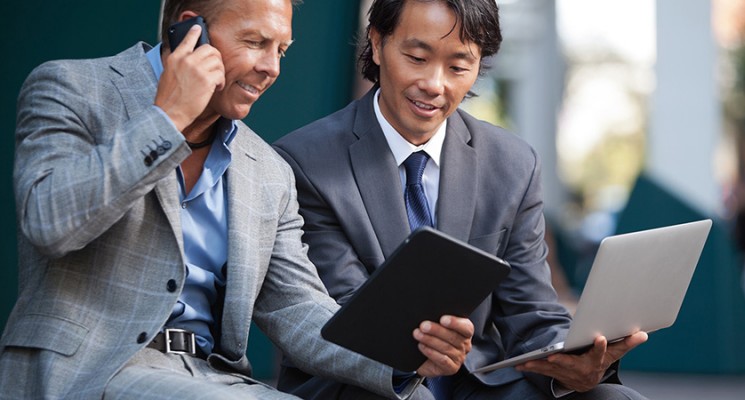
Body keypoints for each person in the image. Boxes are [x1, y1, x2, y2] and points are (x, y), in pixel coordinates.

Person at [0, 0, 475, 398]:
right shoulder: (74, 89)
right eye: (255, 43)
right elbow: (50, 224)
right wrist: (166, 119)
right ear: (190, 33)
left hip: (214, 378)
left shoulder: (267, 170)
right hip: (89, 369)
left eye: (282, 49)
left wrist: (403, 352)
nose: (272, 68)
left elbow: (296, 308)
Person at [274, 0, 649, 398]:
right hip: (362, 383)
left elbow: (531, 311)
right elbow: (345, 320)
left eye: (457, 67)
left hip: (476, 382)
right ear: (378, 43)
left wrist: (573, 358)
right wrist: (423, 348)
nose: (435, 85)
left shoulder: (511, 164)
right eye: (417, 57)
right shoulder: (306, 162)